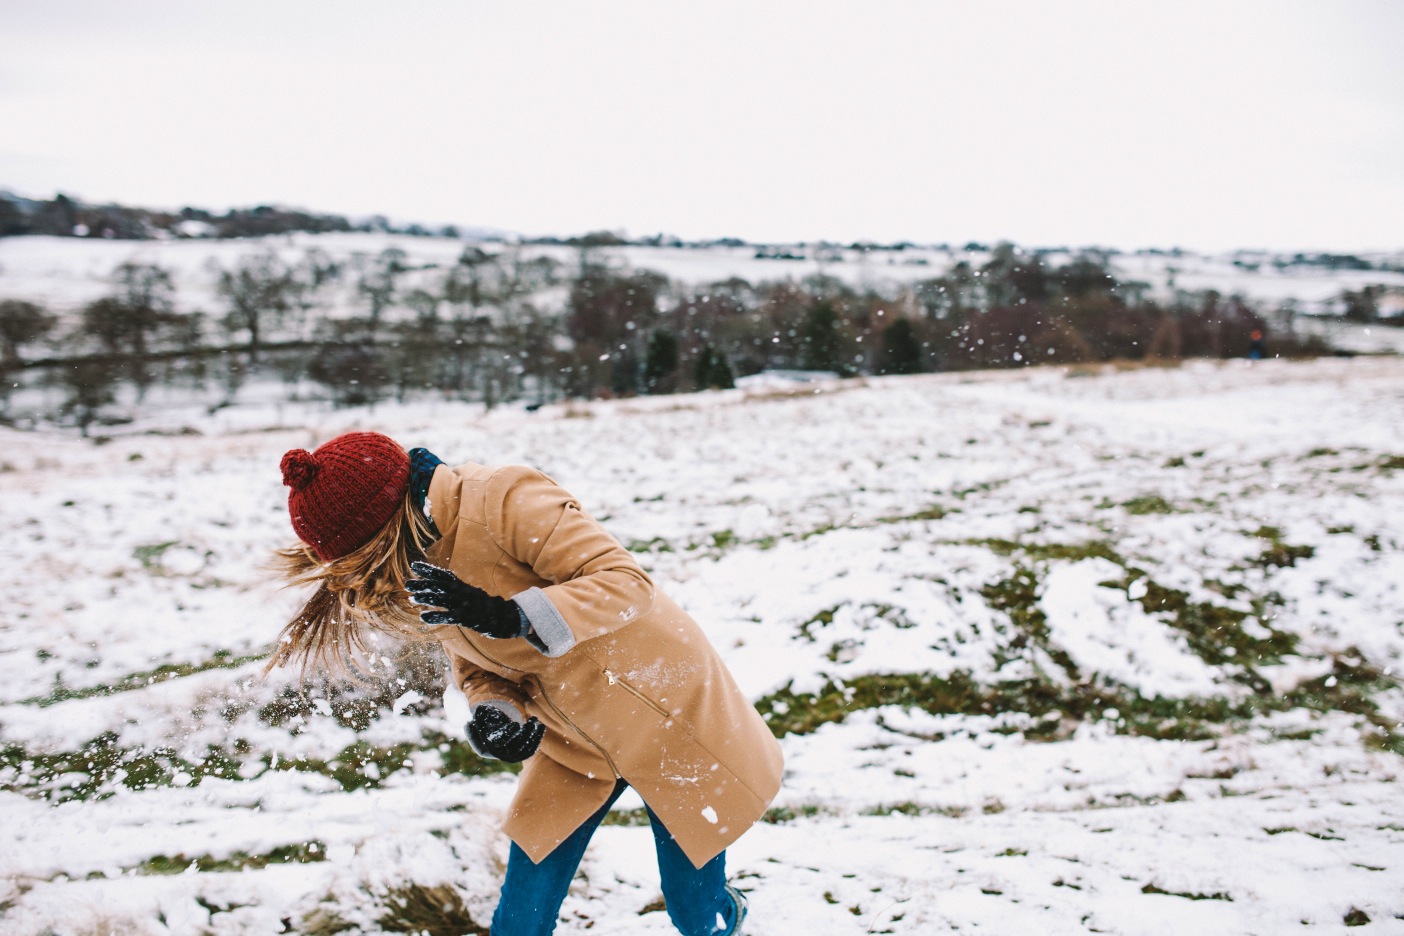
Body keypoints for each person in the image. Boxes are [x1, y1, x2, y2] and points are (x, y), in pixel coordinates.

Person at [267, 431, 782, 936]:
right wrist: (496, 713)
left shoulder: (503, 498)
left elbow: (627, 584)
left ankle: (726, 917)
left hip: (666, 714)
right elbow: (473, 659)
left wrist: (511, 615)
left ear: (384, 523)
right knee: (519, 924)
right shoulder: (413, 563)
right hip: (574, 741)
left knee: (695, 914)